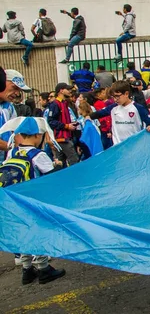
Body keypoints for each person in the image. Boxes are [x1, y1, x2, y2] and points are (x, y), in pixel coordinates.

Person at [0, 117, 66, 285]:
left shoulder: (12, 152)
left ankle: (27, 269)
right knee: (38, 231)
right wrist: (59, 164)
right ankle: (43, 268)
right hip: (34, 200)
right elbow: (51, 177)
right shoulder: (38, 155)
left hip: (15, 200)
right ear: (37, 135)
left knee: (23, 233)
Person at [89, 81, 150, 145]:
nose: (115, 99)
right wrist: (88, 116)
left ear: (126, 94)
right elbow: (99, 113)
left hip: (135, 145)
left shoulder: (138, 108)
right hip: (118, 147)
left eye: (117, 96)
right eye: (113, 97)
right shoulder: (113, 108)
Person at [47, 83, 79, 167]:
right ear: (61, 91)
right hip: (62, 138)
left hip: (65, 137)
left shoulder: (64, 103)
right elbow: (51, 121)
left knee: (61, 163)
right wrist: (66, 126)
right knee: (74, 160)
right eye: (67, 89)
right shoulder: (55, 104)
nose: (69, 91)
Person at [1, 70, 30, 161]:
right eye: (14, 88)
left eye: (19, 90)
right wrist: (13, 148)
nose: (17, 94)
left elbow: (15, 132)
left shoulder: (9, 107)